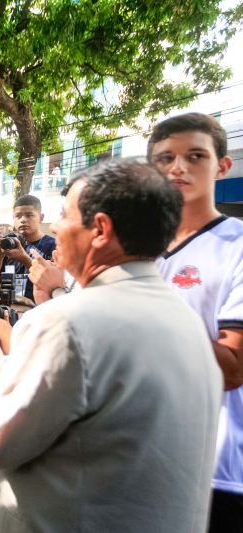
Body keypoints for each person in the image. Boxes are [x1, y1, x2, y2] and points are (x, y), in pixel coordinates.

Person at [0, 158, 221, 532]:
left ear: (99, 229)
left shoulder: (67, 321)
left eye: (64, 216)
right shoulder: (188, 321)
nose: (57, 228)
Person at [148, 112, 243, 533]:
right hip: (140, 454)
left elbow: (230, 369)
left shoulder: (236, 247)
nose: (178, 168)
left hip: (216, 469)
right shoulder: (135, 248)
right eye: (165, 158)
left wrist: (145, 301)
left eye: (195, 156)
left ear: (222, 166)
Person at [0, 195, 55, 304]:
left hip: (39, 313)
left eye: (29, 215)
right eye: (18, 216)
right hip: (9, 314)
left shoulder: (53, 246)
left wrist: (24, 259)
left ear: (41, 217)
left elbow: (55, 285)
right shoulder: (9, 245)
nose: (23, 220)